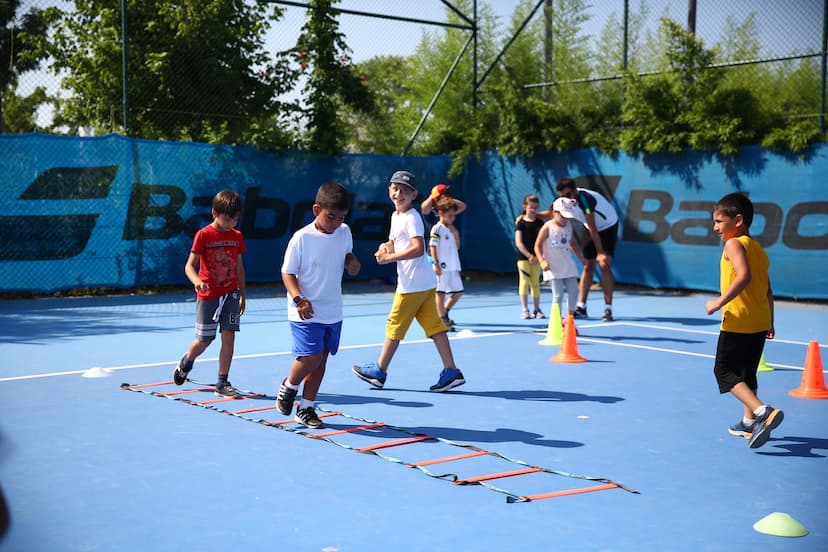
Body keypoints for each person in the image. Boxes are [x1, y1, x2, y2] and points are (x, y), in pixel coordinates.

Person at [352, 170, 465, 392]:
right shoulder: (396, 216)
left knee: (394, 325)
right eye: (395, 189)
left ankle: (379, 371)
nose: (399, 193)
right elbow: (395, 241)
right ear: (389, 191)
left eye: (405, 190)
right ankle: (451, 371)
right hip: (425, 284)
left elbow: (417, 248)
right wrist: (385, 248)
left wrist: (389, 258)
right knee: (435, 327)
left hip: (412, 285)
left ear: (414, 195)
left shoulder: (413, 217)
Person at [276, 182, 361, 428]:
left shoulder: (345, 232)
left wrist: (352, 263)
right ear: (316, 210)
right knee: (311, 356)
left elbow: (346, 255)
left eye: (341, 217)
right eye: (330, 216)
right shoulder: (301, 238)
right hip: (304, 309)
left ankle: (306, 408)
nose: (335, 223)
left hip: (332, 309)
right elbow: (287, 273)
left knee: (321, 361)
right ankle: (289, 385)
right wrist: (298, 299)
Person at [705, 192, 781, 449]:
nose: (715, 227)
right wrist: (770, 321)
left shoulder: (733, 244)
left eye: (719, 221)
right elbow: (768, 290)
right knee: (746, 374)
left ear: (738, 220)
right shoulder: (758, 248)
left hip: (739, 321)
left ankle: (762, 411)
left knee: (724, 371)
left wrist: (718, 302)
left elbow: (745, 276)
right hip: (759, 320)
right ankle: (749, 422)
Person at [173, 189, 247, 397]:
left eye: (235, 218)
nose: (231, 222)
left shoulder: (237, 236)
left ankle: (222, 382)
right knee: (205, 340)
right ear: (215, 213)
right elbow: (189, 266)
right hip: (208, 296)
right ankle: (187, 361)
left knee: (229, 336)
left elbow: (239, 268)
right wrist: (197, 282)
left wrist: (242, 294)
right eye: (227, 218)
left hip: (231, 293)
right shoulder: (204, 235)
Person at [555, 178, 619, 322]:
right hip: (590, 228)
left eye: (567, 195)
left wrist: (601, 253)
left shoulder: (585, 200)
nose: (565, 199)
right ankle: (581, 306)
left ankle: (608, 308)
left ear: (575, 191)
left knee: (604, 265)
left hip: (608, 227)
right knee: (588, 266)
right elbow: (550, 212)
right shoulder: (563, 200)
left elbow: (594, 229)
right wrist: (529, 215)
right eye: (562, 196)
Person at [534, 197, 586, 320]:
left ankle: (569, 320)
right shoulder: (547, 227)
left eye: (568, 216)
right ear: (554, 212)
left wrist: (581, 258)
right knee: (558, 295)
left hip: (567, 266)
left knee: (574, 292)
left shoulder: (569, 226)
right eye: (563, 215)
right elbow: (537, 245)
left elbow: (571, 242)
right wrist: (542, 261)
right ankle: (556, 322)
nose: (565, 219)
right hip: (552, 267)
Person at [429, 196, 464, 330]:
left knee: (458, 292)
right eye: (450, 215)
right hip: (442, 267)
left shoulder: (452, 229)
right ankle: (442, 320)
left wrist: (456, 234)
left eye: (454, 216)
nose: (452, 218)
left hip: (453, 267)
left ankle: (444, 311)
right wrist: (436, 263)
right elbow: (433, 246)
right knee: (441, 293)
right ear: (441, 213)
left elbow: (458, 247)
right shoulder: (437, 229)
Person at [515, 194, 545, 320]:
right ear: (525, 207)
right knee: (524, 283)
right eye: (530, 207)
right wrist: (529, 256)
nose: (533, 209)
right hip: (524, 259)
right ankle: (525, 309)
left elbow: (543, 241)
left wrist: (539, 256)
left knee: (535, 284)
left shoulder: (540, 223)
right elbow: (518, 242)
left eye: (535, 207)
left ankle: (537, 309)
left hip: (537, 259)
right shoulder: (520, 223)